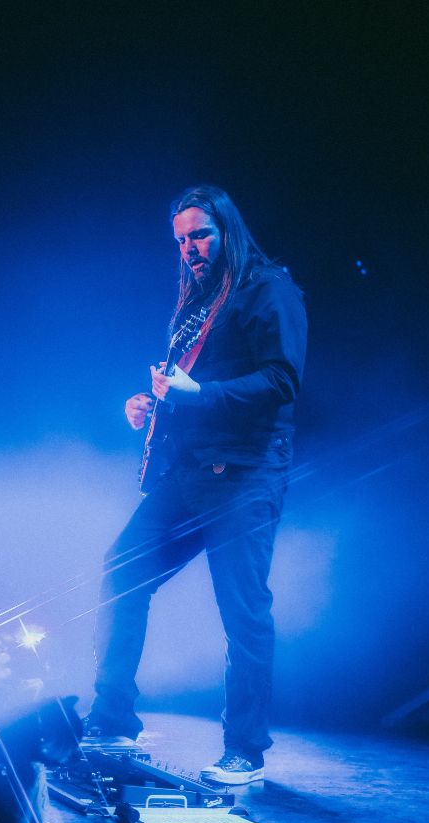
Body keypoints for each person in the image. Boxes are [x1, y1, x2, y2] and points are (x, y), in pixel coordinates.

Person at [83, 184, 307, 785]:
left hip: (245, 474)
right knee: (122, 570)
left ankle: (245, 751)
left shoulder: (270, 289)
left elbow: (282, 381)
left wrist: (198, 394)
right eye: (181, 240)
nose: (190, 248)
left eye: (200, 235)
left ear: (227, 230)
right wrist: (152, 405)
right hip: (188, 472)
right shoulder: (197, 302)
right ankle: (112, 719)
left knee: (243, 610)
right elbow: (189, 387)